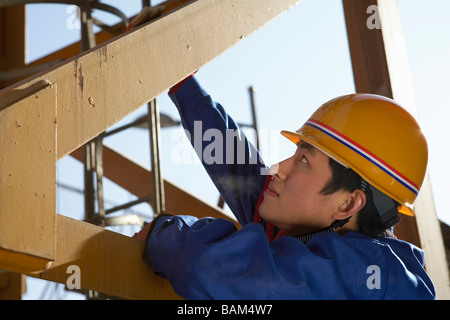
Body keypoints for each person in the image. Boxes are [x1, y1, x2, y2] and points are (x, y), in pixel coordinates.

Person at [132, 74, 435, 299]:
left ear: (347, 204)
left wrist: (166, 232)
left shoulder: (374, 279)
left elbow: (208, 266)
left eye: (304, 160)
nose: (277, 169)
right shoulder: (308, 229)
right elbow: (239, 170)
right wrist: (183, 85)